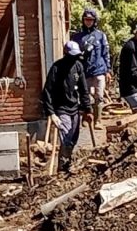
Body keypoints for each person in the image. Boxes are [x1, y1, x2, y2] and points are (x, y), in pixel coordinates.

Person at [42, 39, 89, 173]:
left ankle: (68, 161)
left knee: (74, 137)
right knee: (66, 137)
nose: (74, 58)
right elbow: (47, 92)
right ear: (66, 54)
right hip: (61, 109)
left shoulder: (78, 66)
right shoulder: (57, 68)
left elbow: (83, 89)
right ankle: (63, 166)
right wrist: (51, 113)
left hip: (74, 108)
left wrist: (88, 109)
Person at [76, 9, 114, 116]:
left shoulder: (101, 35)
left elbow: (106, 53)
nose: (88, 22)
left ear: (94, 21)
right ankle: (86, 118)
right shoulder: (77, 37)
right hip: (84, 72)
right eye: (86, 19)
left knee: (99, 96)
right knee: (85, 96)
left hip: (99, 70)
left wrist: (108, 71)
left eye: (91, 20)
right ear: (83, 20)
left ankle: (98, 120)